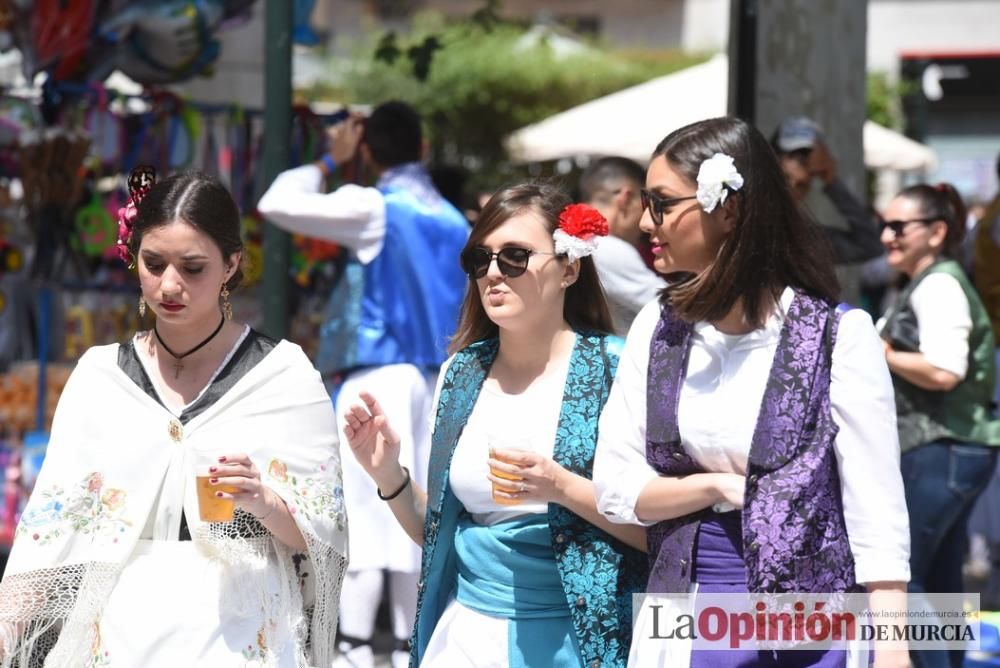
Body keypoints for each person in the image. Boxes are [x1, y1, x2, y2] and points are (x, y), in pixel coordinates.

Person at [592, 117, 911, 667]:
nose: (646, 220)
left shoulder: (837, 337)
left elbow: (874, 511)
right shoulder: (657, 327)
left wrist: (892, 648)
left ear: (729, 208)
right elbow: (616, 486)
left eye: (663, 202)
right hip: (689, 611)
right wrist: (717, 486)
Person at [0, 169, 347, 667]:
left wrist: (265, 501)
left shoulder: (284, 376)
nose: (170, 284)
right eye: (154, 262)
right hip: (120, 631)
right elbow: (50, 531)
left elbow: (323, 536)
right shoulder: (101, 377)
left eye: (193, 267)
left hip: (239, 631)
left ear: (231, 265)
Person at [342, 182, 648, 667]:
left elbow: (660, 532)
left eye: (514, 257)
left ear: (569, 266)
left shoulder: (618, 369)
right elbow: (441, 534)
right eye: (479, 259)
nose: (491, 274)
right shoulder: (460, 373)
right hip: (467, 638)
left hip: (584, 639)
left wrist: (561, 487)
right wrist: (389, 476)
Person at [257, 101, 469, 668]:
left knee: (362, 513)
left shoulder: (376, 206)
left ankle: (352, 648)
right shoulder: (454, 218)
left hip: (379, 375)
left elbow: (275, 202)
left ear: (370, 150)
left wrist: (331, 156)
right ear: (421, 148)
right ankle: (405, 647)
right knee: (415, 513)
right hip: (439, 380)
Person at [878, 182, 1000, 668]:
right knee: (943, 581)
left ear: (937, 232)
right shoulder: (927, 283)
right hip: (947, 449)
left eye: (898, 226)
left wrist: (883, 352)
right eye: (883, 225)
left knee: (905, 579)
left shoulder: (941, 285)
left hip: (942, 447)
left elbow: (945, 371)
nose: (887, 235)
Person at [579, 157, 665, 335]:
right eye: (646, 203)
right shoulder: (606, 247)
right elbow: (670, 305)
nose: (647, 220)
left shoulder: (574, 239)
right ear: (626, 198)